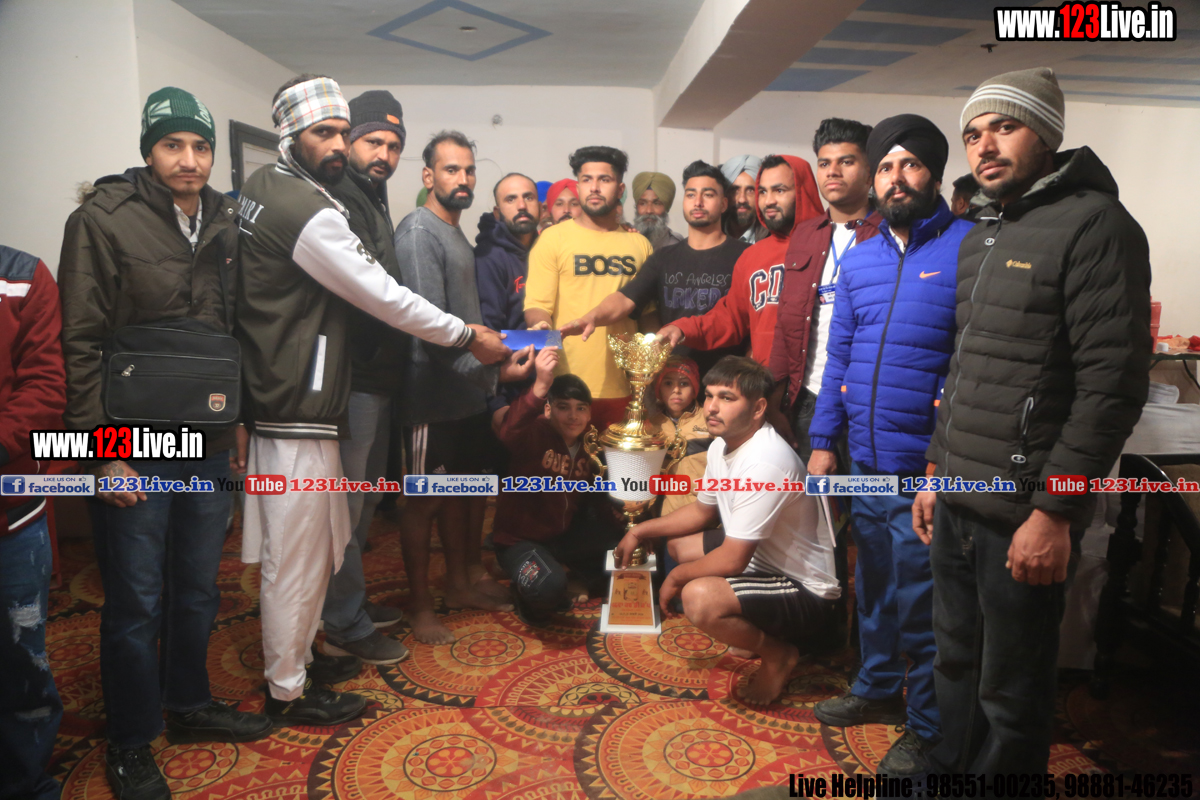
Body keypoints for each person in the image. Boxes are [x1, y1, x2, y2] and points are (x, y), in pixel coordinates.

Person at [235, 76, 509, 725]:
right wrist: (466, 335)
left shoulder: (272, 186)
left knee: (319, 543)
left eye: (341, 132)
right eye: (326, 133)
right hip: (298, 405)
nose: (339, 145)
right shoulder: (306, 207)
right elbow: (383, 294)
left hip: (301, 399)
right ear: (289, 136)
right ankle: (288, 690)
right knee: (296, 557)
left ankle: (305, 656)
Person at [917, 67, 1151, 775]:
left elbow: (1112, 386)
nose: (984, 146)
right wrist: (935, 469)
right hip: (959, 497)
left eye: (1004, 127)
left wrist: (1054, 512)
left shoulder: (1097, 225)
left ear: (1046, 134)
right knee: (955, 663)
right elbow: (966, 370)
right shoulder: (981, 234)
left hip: (1024, 508)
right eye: (973, 134)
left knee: (1011, 690)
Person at [57, 86, 273, 800]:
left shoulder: (226, 219)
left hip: (206, 438)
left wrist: (236, 419)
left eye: (201, 146)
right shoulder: (102, 219)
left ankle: (188, 704)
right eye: (173, 145)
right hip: (134, 441)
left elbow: (229, 332)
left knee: (198, 587)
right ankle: (129, 739)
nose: (189, 159)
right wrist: (103, 450)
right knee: (136, 599)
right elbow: (80, 341)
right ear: (149, 150)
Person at [806, 113, 969, 777]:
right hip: (864, 460)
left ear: (934, 173)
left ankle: (928, 727)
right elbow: (838, 357)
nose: (896, 178)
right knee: (872, 582)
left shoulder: (967, 249)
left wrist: (940, 462)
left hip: (924, 465)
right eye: (885, 167)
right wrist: (824, 440)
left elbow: (968, 367)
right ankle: (876, 686)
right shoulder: (862, 257)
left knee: (923, 599)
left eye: (910, 164)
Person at [613, 356, 840, 705]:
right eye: (709, 395)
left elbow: (734, 559)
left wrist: (677, 578)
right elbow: (702, 512)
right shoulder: (723, 443)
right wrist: (640, 530)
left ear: (758, 408)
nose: (712, 408)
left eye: (727, 398)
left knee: (698, 597)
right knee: (679, 547)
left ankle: (778, 653)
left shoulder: (765, 461)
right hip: (765, 559)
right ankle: (754, 629)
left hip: (805, 589)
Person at [393, 131, 532, 645]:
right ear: (428, 175)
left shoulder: (455, 233)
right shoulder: (419, 232)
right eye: (451, 169)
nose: (463, 179)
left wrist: (494, 372)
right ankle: (419, 606)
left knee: (460, 495)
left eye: (469, 170)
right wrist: (494, 375)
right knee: (422, 502)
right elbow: (428, 328)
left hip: (465, 394)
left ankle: (457, 585)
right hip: (429, 397)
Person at [317, 89, 409, 666]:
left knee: (367, 500)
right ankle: (343, 623)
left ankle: (350, 605)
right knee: (346, 510)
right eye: (373, 141)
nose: (384, 155)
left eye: (393, 146)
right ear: (349, 141)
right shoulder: (338, 195)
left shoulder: (372, 195)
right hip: (352, 379)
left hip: (380, 378)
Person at [557, 160, 749, 374]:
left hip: (726, 381)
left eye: (708, 195)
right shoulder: (664, 258)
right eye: (691, 194)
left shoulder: (746, 256)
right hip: (673, 382)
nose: (698, 202)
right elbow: (626, 298)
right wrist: (592, 317)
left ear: (723, 204)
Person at [768, 118, 880, 462]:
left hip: (866, 401)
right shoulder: (806, 234)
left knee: (864, 495)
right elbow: (786, 322)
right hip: (807, 397)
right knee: (814, 496)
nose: (833, 171)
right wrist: (773, 401)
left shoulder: (889, 232)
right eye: (824, 163)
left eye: (846, 161)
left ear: (869, 170)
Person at [524, 146, 654, 432]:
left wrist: (651, 371)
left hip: (624, 387)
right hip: (565, 385)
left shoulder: (640, 245)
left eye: (604, 180)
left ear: (620, 189)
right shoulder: (552, 239)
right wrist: (541, 326)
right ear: (578, 185)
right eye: (586, 179)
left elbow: (648, 316)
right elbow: (537, 305)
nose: (594, 187)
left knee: (619, 463)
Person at [493, 347, 623, 624]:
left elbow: (596, 497)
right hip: (519, 541)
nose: (573, 416)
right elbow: (509, 429)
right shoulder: (533, 433)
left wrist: (622, 521)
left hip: (563, 538)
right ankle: (529, 587)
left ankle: (576, 576)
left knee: (629, 549)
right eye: (563, 407)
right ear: (548, 408)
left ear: (589, 413)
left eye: (580, 408)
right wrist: (541, 384)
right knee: (548, 589)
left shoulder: (590, 444)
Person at [0, 245, 65, 800]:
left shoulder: (21, 275)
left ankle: (27, 782)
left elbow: (44, 385)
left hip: (12, 511)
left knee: (23, 662)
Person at [657, 155, 823, 365]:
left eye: (779, 190)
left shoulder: (829, 246)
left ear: (802, 191)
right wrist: (682, 328)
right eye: (763, 192)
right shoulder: (753, 255)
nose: (769, 201)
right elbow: (730, 317)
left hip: (821, 379)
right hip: (769, 378)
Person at [477, 173, 540, 335]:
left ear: (540, 206)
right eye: (511, 199)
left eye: (529, 198)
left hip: (554, 345)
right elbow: (491, 331)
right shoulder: (488, 257)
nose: (522, 206)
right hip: (513, 350)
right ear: (497, 213)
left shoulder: (549, 247)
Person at [647, 356, 709, 516]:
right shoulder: (651, 426)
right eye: (668, 383)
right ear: (659, 389)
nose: (676, 390)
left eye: (684, 383)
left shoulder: (710, 421)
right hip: (665, 514)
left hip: (705, 512)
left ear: (695, 389)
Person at [631, 171, 684, 250]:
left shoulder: (676, 244)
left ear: (666, 207)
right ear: (636, 206)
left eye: (656, 204)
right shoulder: (624, 239)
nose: (649, 210)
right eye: (643, 203)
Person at [720, 156, 767, 243]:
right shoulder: (709, 235)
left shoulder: (772, 239)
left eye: (750, 191)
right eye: (735, 191)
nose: (742, 200)